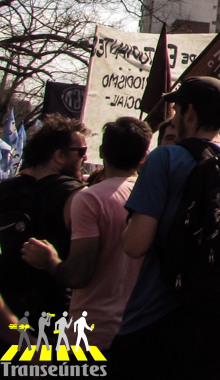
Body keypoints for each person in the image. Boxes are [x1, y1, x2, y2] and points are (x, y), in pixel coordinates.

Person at [110, 76, 220, 379]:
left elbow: (135, 244)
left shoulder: (164, 157)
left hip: (161, 312)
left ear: (189, 111)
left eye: (176, 109)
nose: (175, 117)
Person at [21, 116, 151, 350]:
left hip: (91, 334)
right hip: (138, 331)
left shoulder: (90, 199)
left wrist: (49, 262)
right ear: (143, 157)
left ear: (101, 151)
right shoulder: (152, 198)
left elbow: (78, 275)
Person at [0, 114, 85, 319]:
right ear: (59, 156)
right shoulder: (77, 196)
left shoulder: (4, 189)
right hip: (51, 317)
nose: (85, 158)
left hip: (5, 312)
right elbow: (83, 269)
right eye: (81, 151)